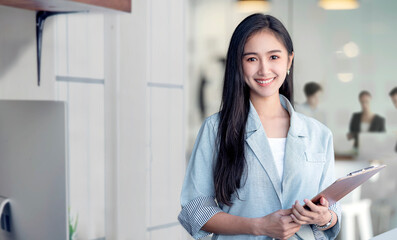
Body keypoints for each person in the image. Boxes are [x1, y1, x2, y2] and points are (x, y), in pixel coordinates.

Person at [178, 14, 340, 240]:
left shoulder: (319, 134)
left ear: (289, 61)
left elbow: (332, 210)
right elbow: (196, 209)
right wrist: (259, 226)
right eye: (252, 59)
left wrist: (325, 218)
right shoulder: (216, 129)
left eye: (274, 57)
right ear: (239, 64)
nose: (264, 70)